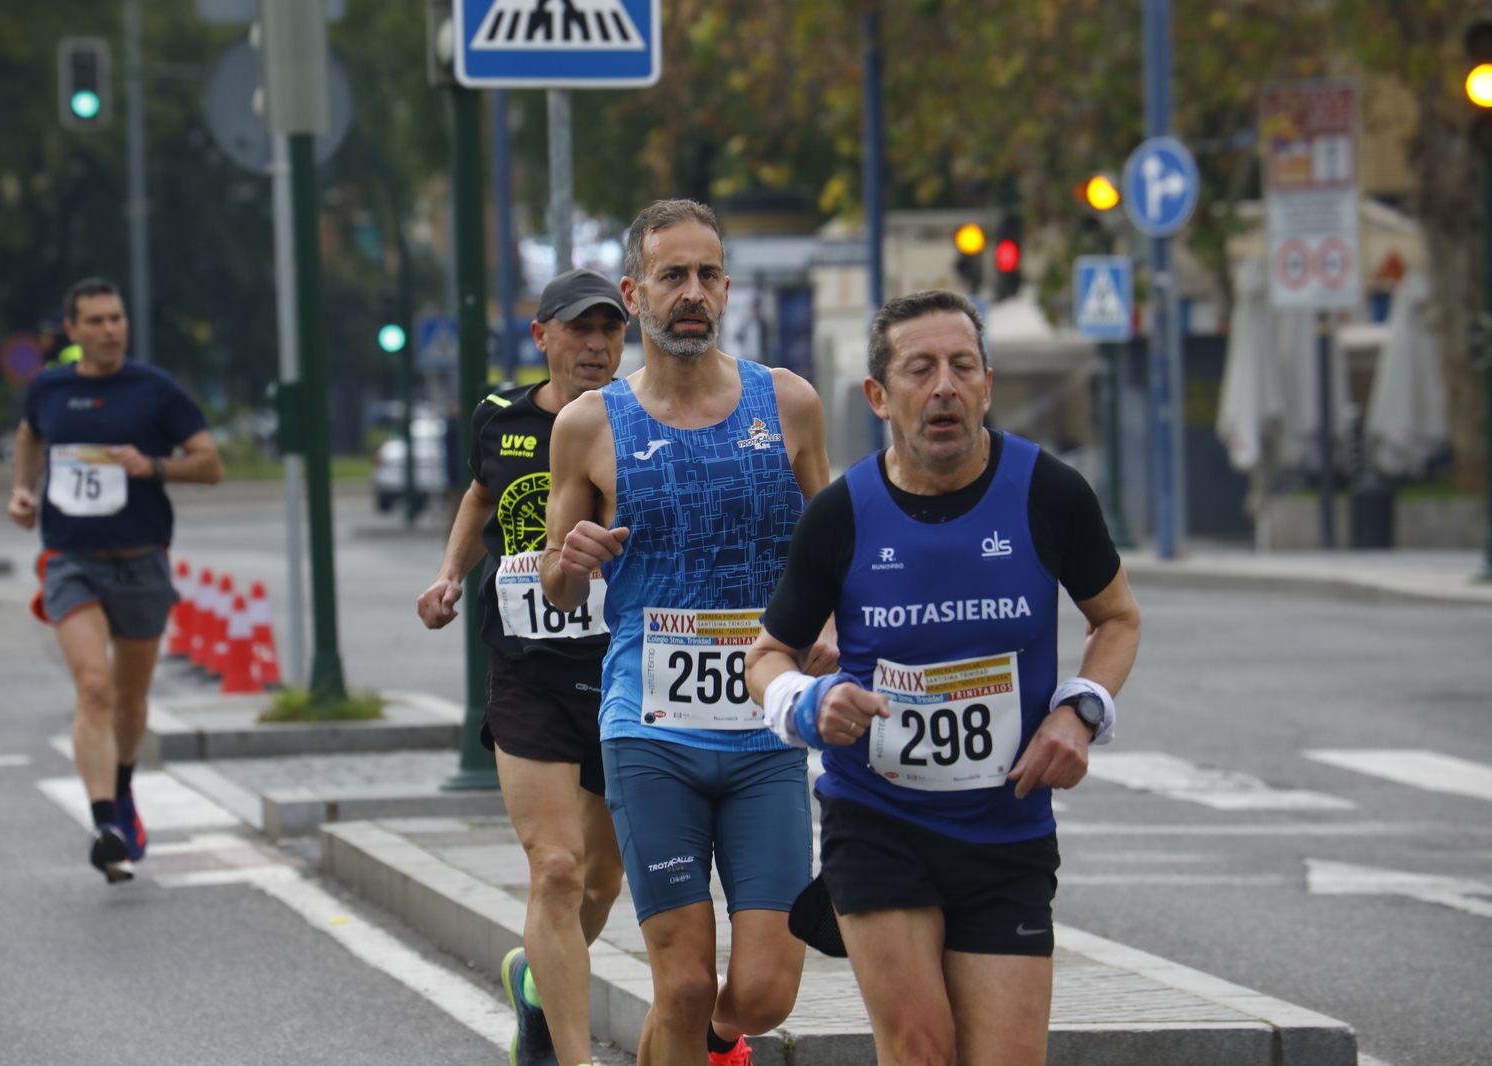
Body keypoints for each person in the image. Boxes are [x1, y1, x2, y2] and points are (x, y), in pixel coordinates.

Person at [744, 289, 1142, 1066]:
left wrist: (1079, 710)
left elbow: (1118, 618)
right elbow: (766, 657)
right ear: (879, 396)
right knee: (921, 1052)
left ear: (987, 385)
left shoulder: (1048, 493)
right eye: (920, 369)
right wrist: (809, 701)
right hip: (879, 821)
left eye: (963, 367)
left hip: (1008, 830)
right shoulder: (842, 513)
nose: (944, 388)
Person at [541, 199, 833, 1066]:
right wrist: (574, 557)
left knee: (766, 992)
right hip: (650, 731)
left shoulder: (788, 404)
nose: (692, 293)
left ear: (728, 289)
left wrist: (837, 632)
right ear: (636, 293)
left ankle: (713, 1044)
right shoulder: (589, 425)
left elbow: (841, 544)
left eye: (708, 275)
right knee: (683, 981)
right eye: (673, 276)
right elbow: (558, 588)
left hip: (762, 729)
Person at [416, 269, 630, 1066]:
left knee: (605, 882)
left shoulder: (639, 421)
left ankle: (535, 983)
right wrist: (449, 574)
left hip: (618, 675)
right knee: (558, 867)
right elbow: (480, 496)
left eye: (610, 330)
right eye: (580, 330)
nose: (598, 345)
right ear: (542, 337)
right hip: (526, 673)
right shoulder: (499, 417)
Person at [8, 277, 223, 883]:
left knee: (129, 700)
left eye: (117, 318)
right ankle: (104, 822)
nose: (110, 330)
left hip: (141, 559)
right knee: (94, 687)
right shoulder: (49, 389)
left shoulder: (155, 390)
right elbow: (30, 435)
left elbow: (211, 465)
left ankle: (123, 790)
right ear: (72, 332)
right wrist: (23, 492)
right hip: (71, 559)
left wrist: (150, 465)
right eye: (96, 321)